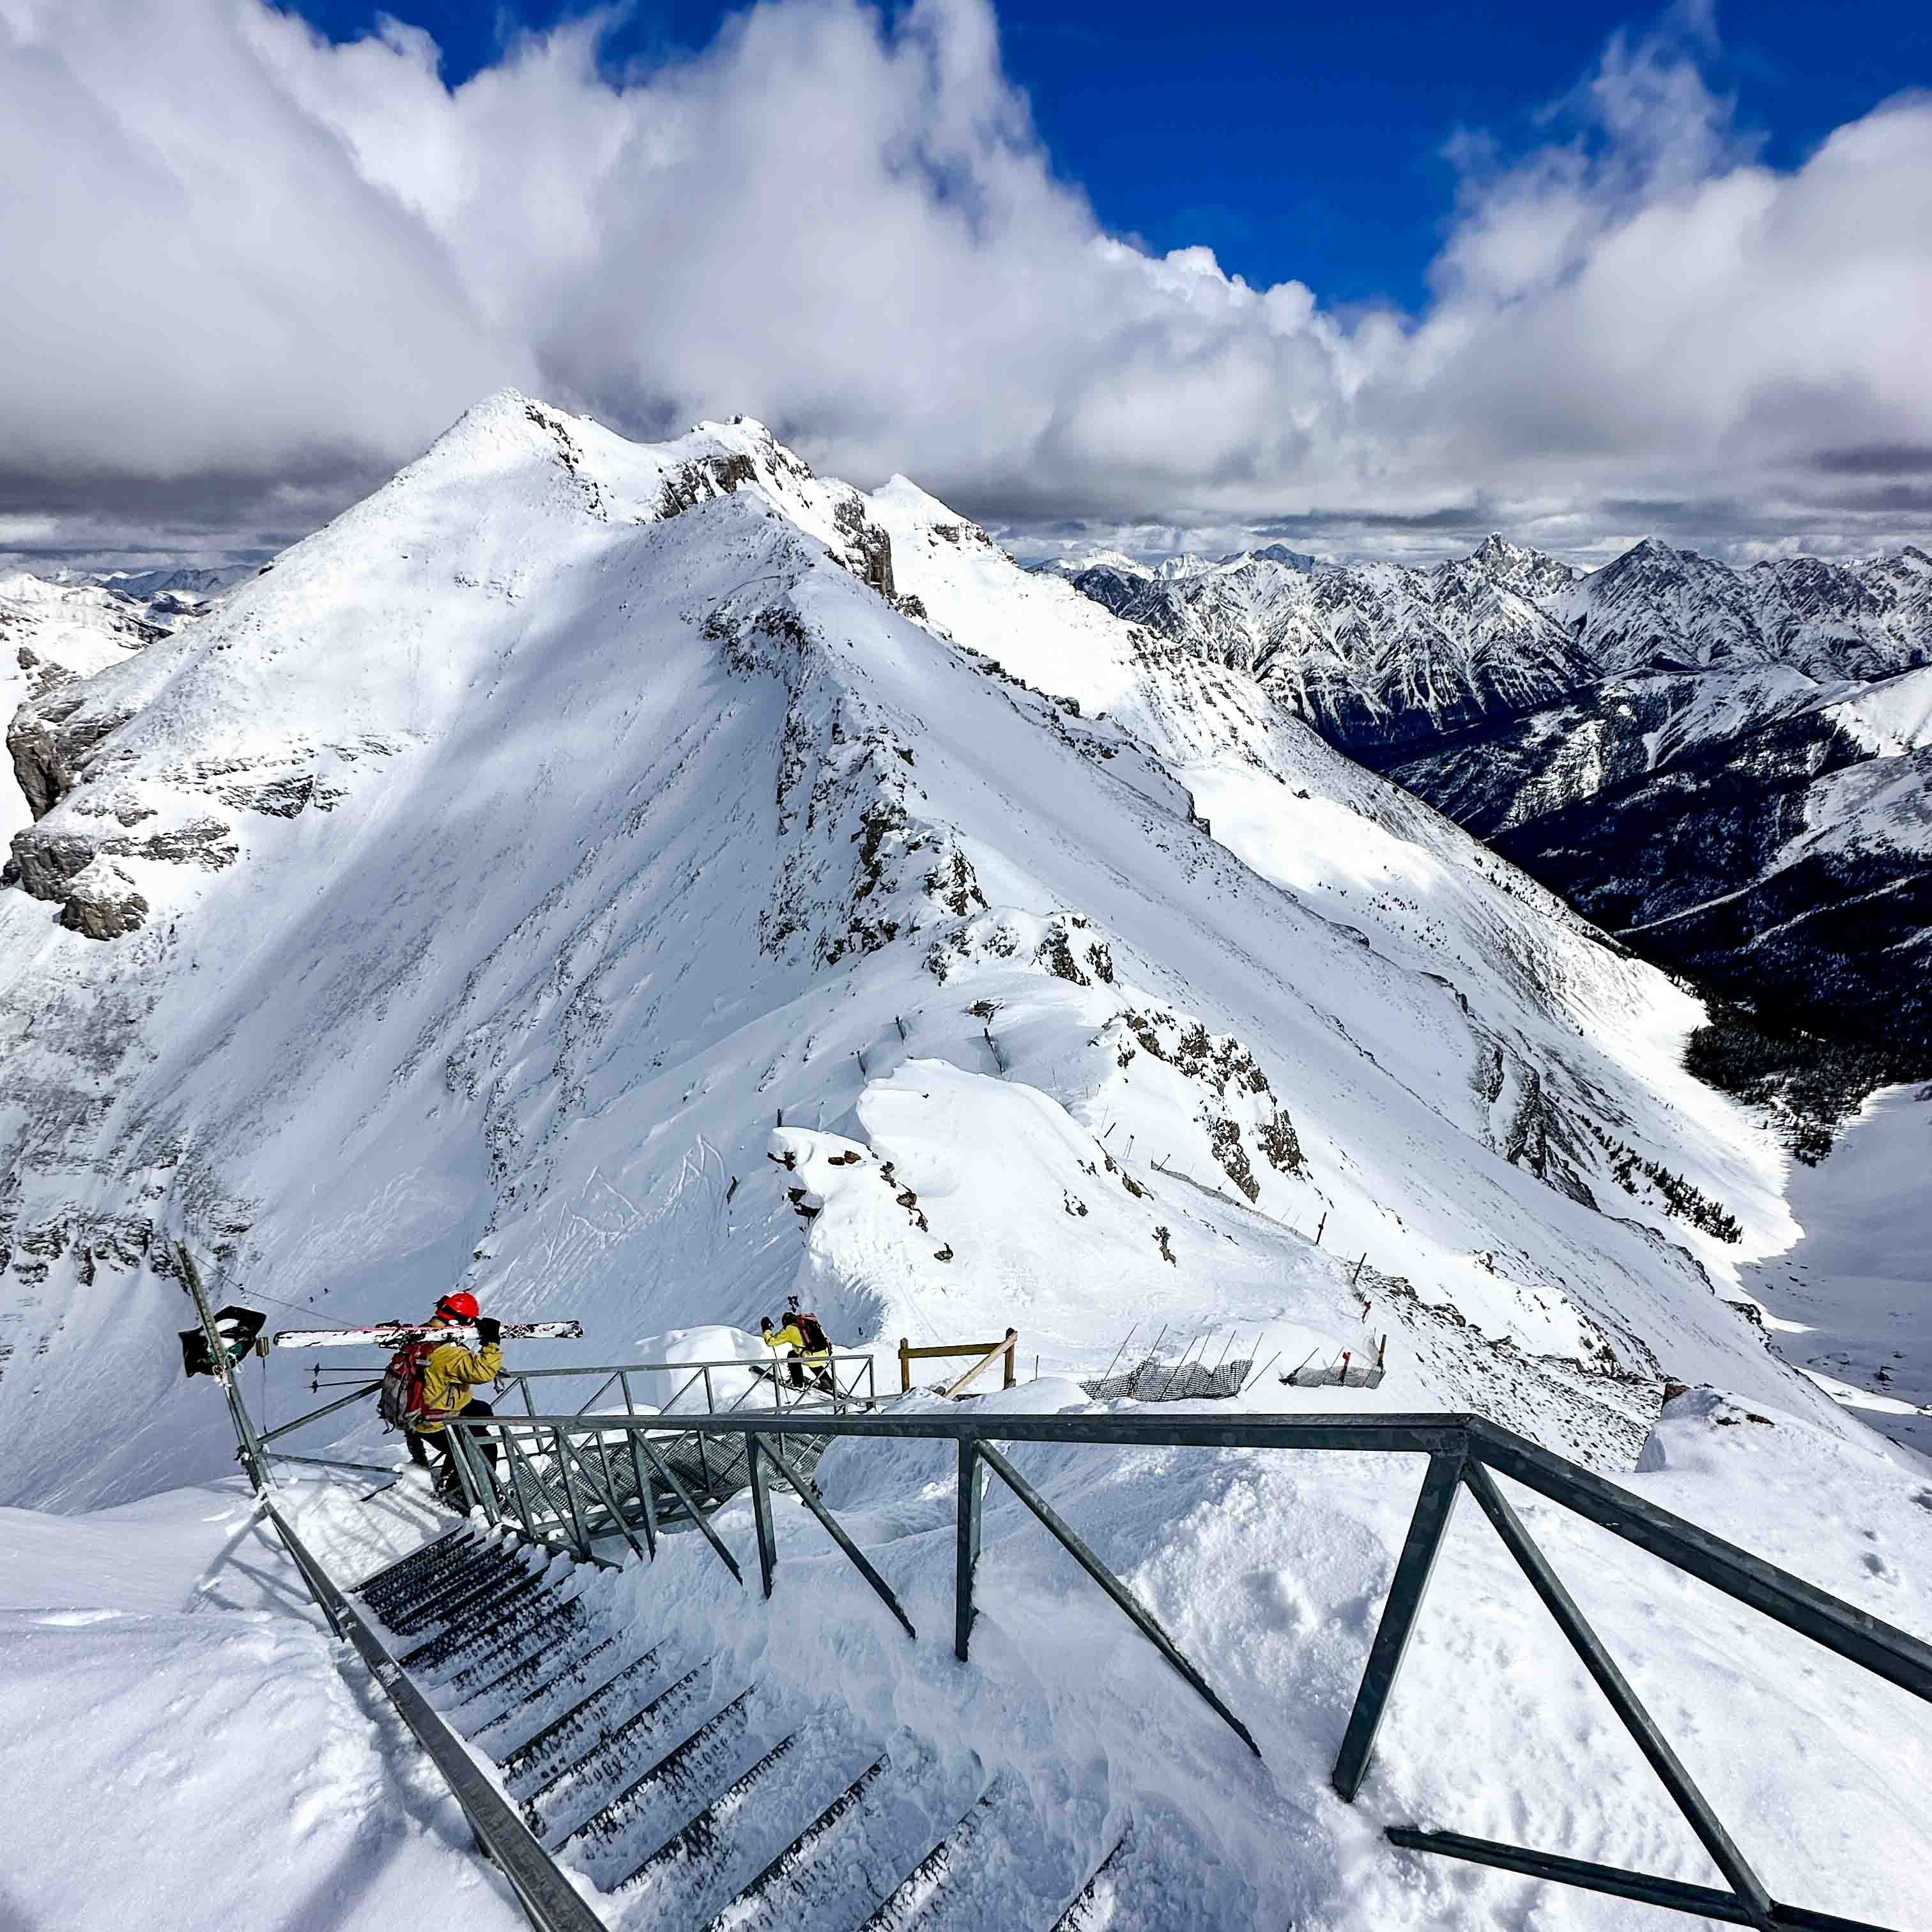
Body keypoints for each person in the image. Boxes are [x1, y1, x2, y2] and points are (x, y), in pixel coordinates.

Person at [404, 1292, 503, 1497]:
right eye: (469, 1321)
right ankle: (479, 1496)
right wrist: (492, 1343)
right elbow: (482, 1372)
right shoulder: (446, 1352)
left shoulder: (426, 1334)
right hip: (436, 1422)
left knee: (482, 1410)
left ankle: (456, 1463)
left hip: (420, 1410)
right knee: (485, 1445)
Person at [760, 1299, 834, 1395]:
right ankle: (827, 1382)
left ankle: (798, 1383)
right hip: (825, 1355)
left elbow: (771, 1342)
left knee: (793, 1355)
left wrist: (766, 1329)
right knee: (812, 1356)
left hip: (811, 1358)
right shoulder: (810, 1324)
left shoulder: (789, 1329)